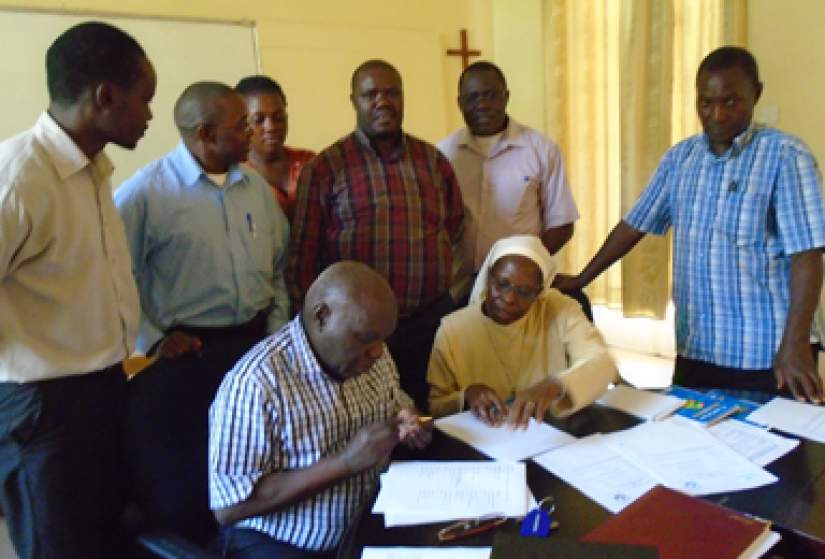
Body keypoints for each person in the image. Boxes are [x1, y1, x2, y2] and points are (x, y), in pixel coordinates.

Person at [554, 46, 825, 403]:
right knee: (693, 447)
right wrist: (582, 279)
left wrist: (795, 343)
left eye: (731, 101)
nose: (717, 114)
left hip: (767, 353)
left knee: (778, 455)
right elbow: (633, 225)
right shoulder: (681, 159)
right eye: (706, 103)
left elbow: (807, 255)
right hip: (698, 348)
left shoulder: (786, 157)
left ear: (756, 94)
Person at [0, 22, 155, 558]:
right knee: (58, 548)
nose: (150, 115)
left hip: (104, 389)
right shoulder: (19, 176)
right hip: (43, 409)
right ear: (104, 96)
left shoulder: (94, 171)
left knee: (105, 541)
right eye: (145, 99)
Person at [114, 81, 290, 542]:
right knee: (188, 487)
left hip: (252, 349)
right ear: (205, 134)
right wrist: (152, 338)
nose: (251, 133)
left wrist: (274, 331)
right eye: (241, 126)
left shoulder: (255, 187)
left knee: (254, 471)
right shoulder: (145, 195)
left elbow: (279, 267)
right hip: (184, 357)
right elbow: (113, 279)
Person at [210, 261, 431, 558]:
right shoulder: (256, 384)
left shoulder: (372, 353)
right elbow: (229, 507)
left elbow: (401, 405)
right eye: (366, 338)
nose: (378, 352)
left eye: (383, 339)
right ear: (322, 316)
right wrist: (345, 462)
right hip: (286, 545)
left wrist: (415, 419)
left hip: (367, 524)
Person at [287, 59, 465, 411]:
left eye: (392, 93)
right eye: (371, 94)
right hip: (360, 337)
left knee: (434, 420)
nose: (383, 102)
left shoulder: (433, 162)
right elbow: (302, 260)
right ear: (354, 100)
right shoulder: (326, 168)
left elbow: (453, 227)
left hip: (429, 323)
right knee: (373, 427)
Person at [427, 236, 616, 427]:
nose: (509, 298)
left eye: (524, 292)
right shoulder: (452, 329)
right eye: (502, 284)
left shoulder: (559, 309)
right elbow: (435, 408)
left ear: (539, 292)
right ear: (488, 278)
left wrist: (557, 385)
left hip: (552, 435)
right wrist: (467, 395)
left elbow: (603, 363)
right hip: (484, 442)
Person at [438, 61, 580, 306]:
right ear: (460, 104)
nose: (482, 105)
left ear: (506, 97)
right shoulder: (443, 154)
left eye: (491, 96)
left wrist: (525, 264)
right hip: (459, 288)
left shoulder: (541, 150)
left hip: (519, 289)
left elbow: (562, 223)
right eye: (472, 98)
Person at [235, 75, 315, 221]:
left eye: (278, 117)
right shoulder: (235, 177)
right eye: (259, 120)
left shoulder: (309, 162)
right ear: (242, 122)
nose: (271, 127)